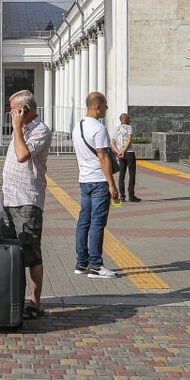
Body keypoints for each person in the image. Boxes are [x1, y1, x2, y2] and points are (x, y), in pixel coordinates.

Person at [2, 90, 52, 318]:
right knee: (11, 251)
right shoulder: (21, 129)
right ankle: (13, 298)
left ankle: (35, 302)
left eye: (14, 110)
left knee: (31, 253)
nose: (11, 114)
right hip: (9, 198)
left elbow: (23, 155)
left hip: (28, 200)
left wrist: (16, 128)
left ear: (26, 110)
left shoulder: (40, 130)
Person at [72, 92, 121, 279]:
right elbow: (103, 157)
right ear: (97, 106)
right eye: (105, 105)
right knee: (97, 223)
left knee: (83, 221)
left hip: (84, 179)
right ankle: (96, 265)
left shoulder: (78, 127)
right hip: (99, 181)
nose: (107, 109)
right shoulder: (99, 129)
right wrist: (112, 184)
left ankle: (81, 263)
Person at [113, 112, 141, 202]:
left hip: (120, 154)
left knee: (122, 175)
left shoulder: (116, 129)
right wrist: (124, 151)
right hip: (129, 153)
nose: (130, 120)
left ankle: (122, 196)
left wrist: (119, 152)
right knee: (132, 174)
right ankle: (131, 196)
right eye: (128, 119)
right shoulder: (129, 128)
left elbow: (112, 143)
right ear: (125, 120)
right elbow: (129, 141)